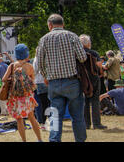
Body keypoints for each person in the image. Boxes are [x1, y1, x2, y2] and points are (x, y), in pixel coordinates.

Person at [36, 14, 87, 142]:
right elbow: (82, 57)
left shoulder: (44, 39)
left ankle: (54, 140)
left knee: (55, 117)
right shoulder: (72, 36)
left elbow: (40, 63)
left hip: (53, 83)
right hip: (72, 81)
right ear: (63, 24)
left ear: (50, 25)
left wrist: (45, 76)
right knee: (77, 117)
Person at [3, 44, 42, 142]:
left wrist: (13, 78)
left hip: (15, 96)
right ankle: (39, 139)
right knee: (32, 117)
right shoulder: (29, 66)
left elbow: (3, 79)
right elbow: (33, 83)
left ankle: (24, 140)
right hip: (27, 96)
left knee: (19, 119)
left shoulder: (12, 66)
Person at [79, 34, 107, 130]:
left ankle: (86, 124)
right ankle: (97, 123)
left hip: (82, 80)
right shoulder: (94, 53)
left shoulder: (78, 54)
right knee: (95, 101)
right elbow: (99, 66)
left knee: (85, 101)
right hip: (94, 78)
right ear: (88, 43)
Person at [33, 55, 50, 129]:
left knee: (42, 104)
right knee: (49, 102)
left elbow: (35, 70)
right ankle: (50, 120)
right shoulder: (48, 56)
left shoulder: (37, 59)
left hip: (40, 81)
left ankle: (42, 122)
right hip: (49, 81)